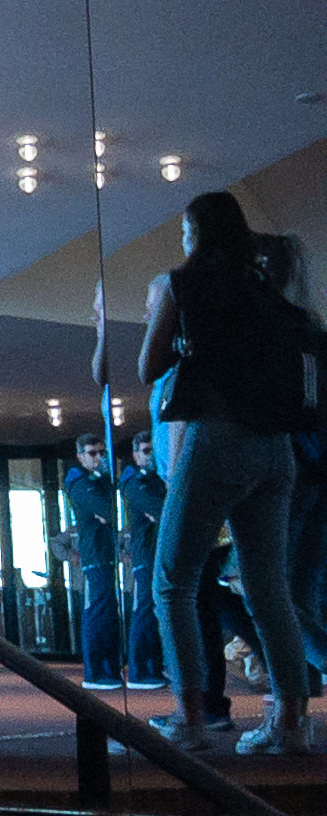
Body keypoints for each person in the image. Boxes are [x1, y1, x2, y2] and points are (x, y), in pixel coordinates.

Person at [139, 190, 316, 755]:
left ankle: (190, 717)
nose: (183, 241)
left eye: (185, 232)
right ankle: (290, 722)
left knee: (172, 581)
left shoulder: (182, 285)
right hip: (276, 448)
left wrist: (186, 342)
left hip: (217, 438)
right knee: (268, 588)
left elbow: (148, 366)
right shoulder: (267, 290)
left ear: (197, 234)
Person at [60, 432, 125, 688]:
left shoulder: (95, 481)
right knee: (98, 611)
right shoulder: (80, 483)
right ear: (80, 457)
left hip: (104, 552)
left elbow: (110, 513)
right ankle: (97, 671)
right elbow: (107, 511)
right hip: (95, 553)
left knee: (107, 610)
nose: (99, 458)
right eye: (92, 453)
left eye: (102, 453)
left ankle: (108, 669)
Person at [117, 431, 170, 692]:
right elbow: (161, 510)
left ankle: (153, 666)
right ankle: (140, 670)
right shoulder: (135, 483)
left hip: (156, 552)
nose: (151, 457)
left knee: (155, 610)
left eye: (154, 451)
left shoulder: (153, 480)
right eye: (146, 451)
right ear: (136, 455)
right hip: (146, 555)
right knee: (145, 609)